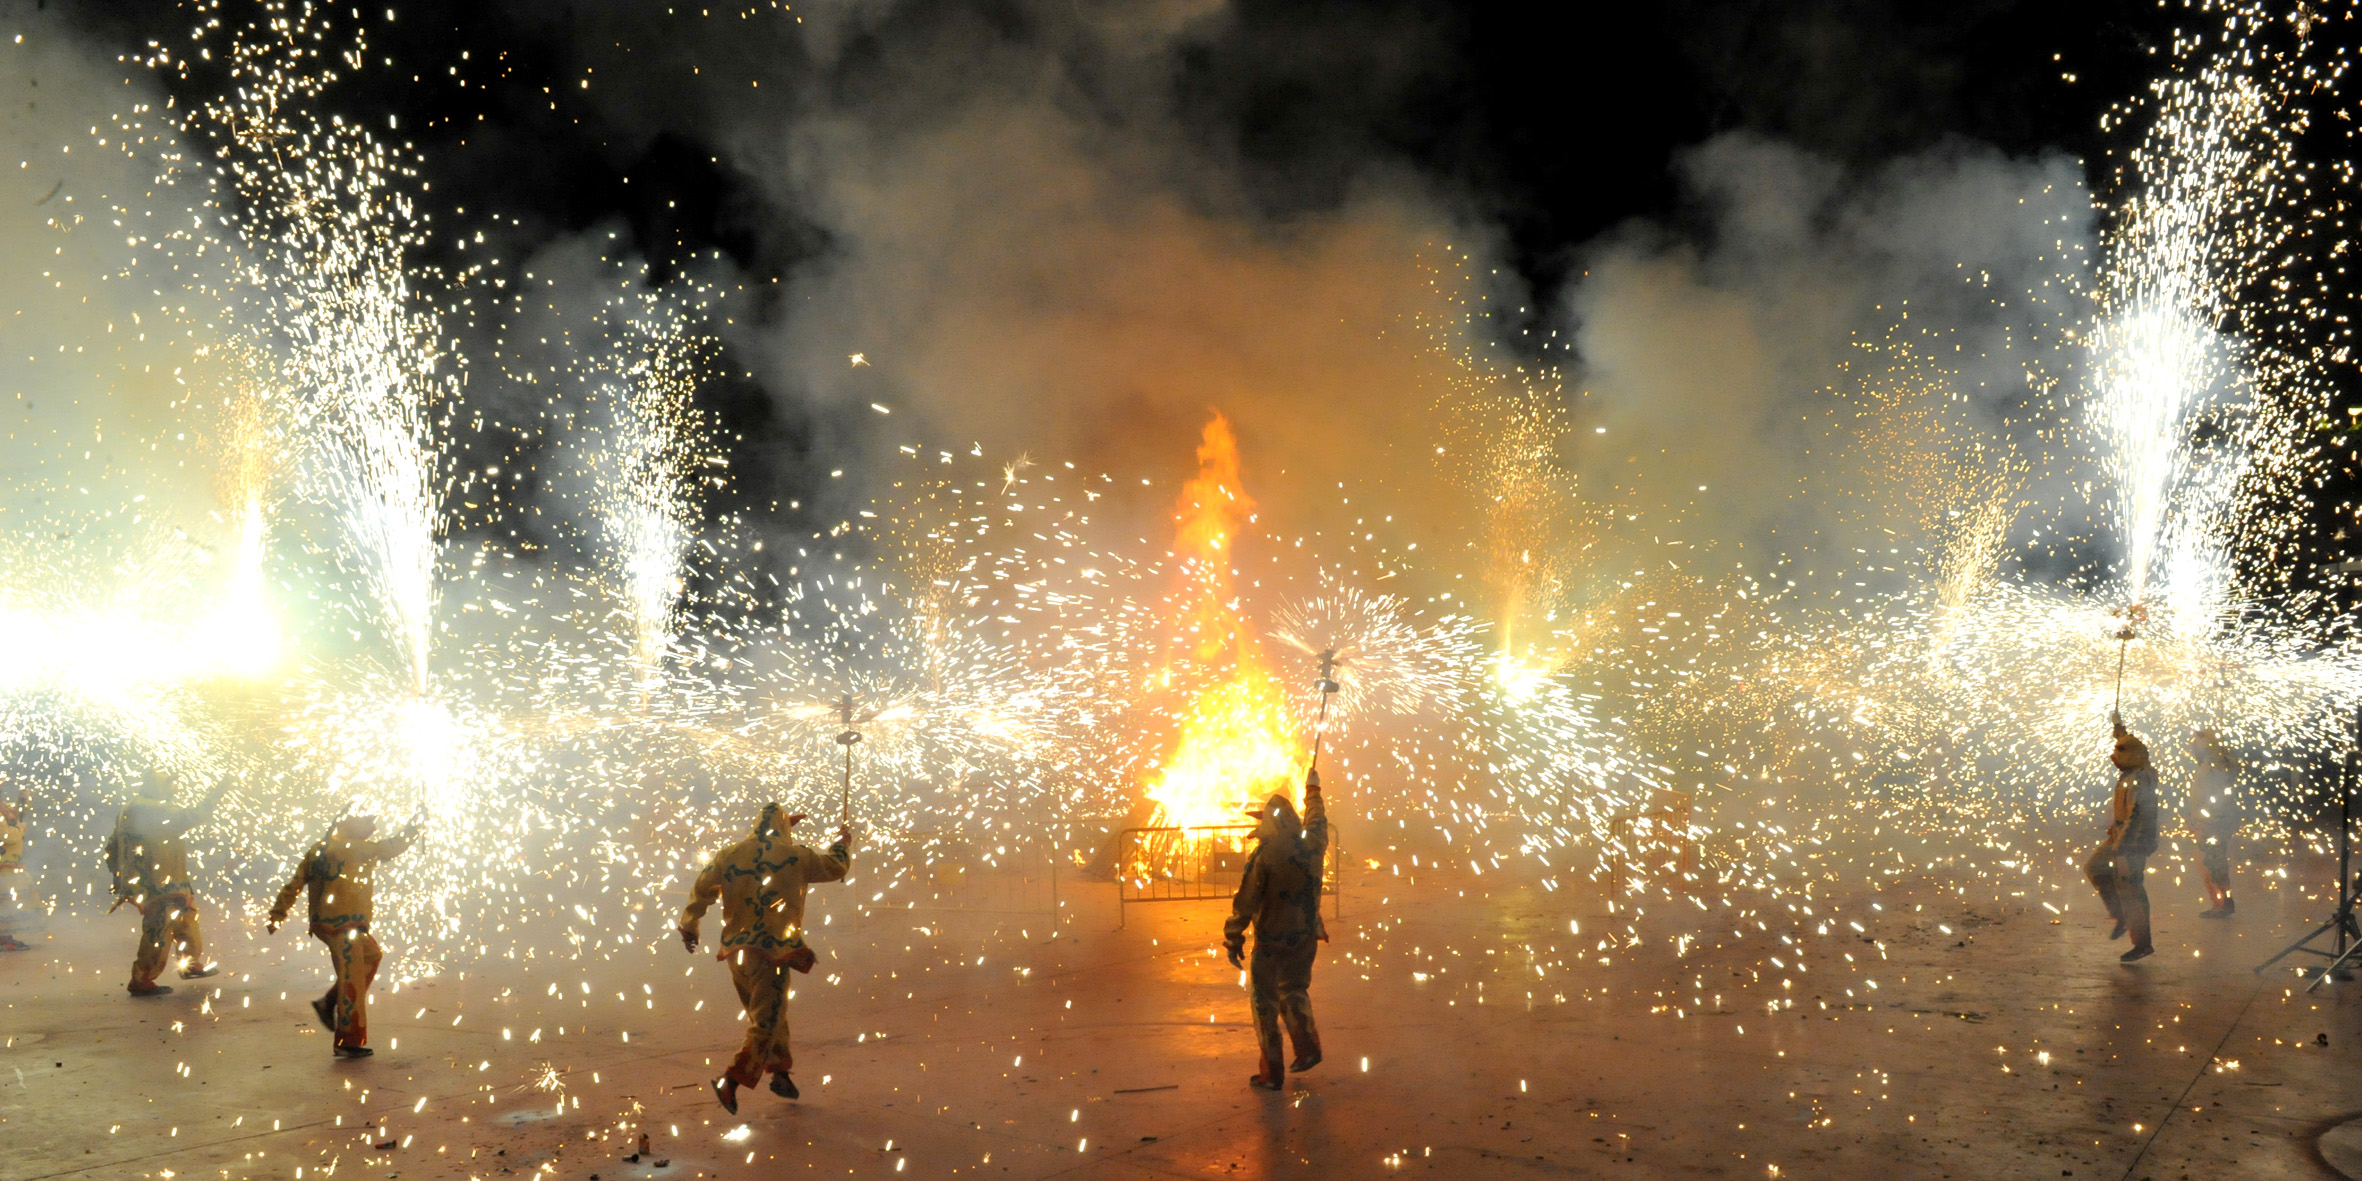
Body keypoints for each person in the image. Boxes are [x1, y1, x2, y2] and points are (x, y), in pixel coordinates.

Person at [678, 803, 853, 1113]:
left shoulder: (730, 853)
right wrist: (842, 845)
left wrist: (690, 924)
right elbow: (835, 867)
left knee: (770, 1015)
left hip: (736, 954)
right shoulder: (798, 856)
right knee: (765, 1022)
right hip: (771, 954)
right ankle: (730, 1081)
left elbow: (703, 888)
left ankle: (781, 1073)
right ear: (783, 829)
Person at [268, 813, 420, 1058]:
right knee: (353, 981)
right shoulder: (358, 849)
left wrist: (277, 914)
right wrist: (416, 826)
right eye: (367, 823)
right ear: (352, 826)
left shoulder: (319, 848)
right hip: (344, 926)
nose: (372, 826)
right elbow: (393, 847)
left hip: (326, 923)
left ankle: (328, 1002)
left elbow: (295, 883)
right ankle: (348, 1040)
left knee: (371, 955)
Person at [1224, 766, 1330, 1091]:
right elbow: (1317, 820)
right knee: (1295, 990)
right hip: (1304, 937)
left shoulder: (1265, 856)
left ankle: (1271, 1072)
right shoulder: (1312, 843)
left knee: (1264, 1004)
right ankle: (1308, 1049)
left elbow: (1245, 901)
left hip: (1271, 944)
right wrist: (1313, 792)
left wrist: (1233, 937)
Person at [106, 772, 229, 995]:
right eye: (171, 784)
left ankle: (190, 963)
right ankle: (141, 978)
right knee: (159, 929)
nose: (176, 788)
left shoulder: (130, 808)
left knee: (186, 918)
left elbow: (112, 845)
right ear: (158, 785)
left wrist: (119, 877)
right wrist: (220, 790)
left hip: (162, 881)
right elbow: (194, 816)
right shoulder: (154, 809)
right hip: (160, 883)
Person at [2084, 717, 2160, 963]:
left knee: (2131, 890)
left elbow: (2136, 817)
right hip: (2120, 839)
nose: (2115, 757)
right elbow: (2132, 747)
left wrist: (2121, 847)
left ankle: (2142, 943)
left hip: (2132, 843)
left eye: (2121, 752)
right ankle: (2121, 916)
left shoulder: (2141, 779)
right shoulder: (2133, 770)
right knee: (2095, 868)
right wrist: (2119, 731)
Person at [2191, 728, 2240, 919]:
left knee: (2212, 862)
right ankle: (2222, 902)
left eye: (2196, 742)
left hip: (2213, 823)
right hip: (2212, 821)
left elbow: (2217, 797)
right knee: (2212, 862)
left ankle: (2222, 904)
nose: (2192, 746)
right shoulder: (2212, 763)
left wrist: (2209, 820)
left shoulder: (2215, 766)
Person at [0, 779, 29, 952]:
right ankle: (3, 938)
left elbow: (13, 818)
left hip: (8, 863)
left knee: (8, 902)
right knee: (3, 903)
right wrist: (20, 830)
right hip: (2, 866)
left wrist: (22, 801)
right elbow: (4, 835)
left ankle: (6, 936)